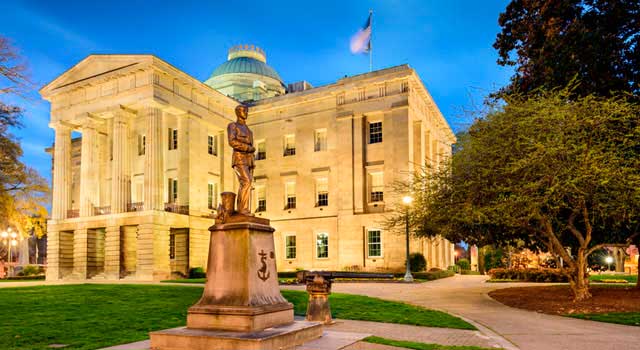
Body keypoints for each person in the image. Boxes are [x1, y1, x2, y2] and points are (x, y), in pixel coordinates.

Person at [227, 104, 255, 215]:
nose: (246, 113)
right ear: (238, 112)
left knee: (247, 183)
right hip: (239, 157)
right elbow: (232, 141)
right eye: (244, 111)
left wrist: (252, 162)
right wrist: (247, 147)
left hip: (248, 159)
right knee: (246, 181)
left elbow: (251, 148)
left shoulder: (249, 131)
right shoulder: (233, 126)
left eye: (247, 111)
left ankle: (243, 209)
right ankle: (242, 209)